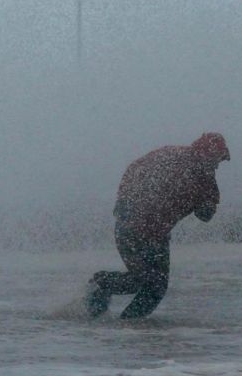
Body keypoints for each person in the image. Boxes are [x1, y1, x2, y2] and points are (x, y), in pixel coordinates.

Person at [85, 133, 230, 319]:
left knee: (155, 286)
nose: (216, 165)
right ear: (203, 154)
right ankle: (103, 293)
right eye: (214, 159)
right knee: (145, 281)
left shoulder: (205, 181)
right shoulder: (172, 157)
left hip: (156, 234)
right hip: (132, 226)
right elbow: (135, 170)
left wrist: (207, 206)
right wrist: (125, 202)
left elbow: (205, 215)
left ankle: (126, 322)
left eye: (219, 160)